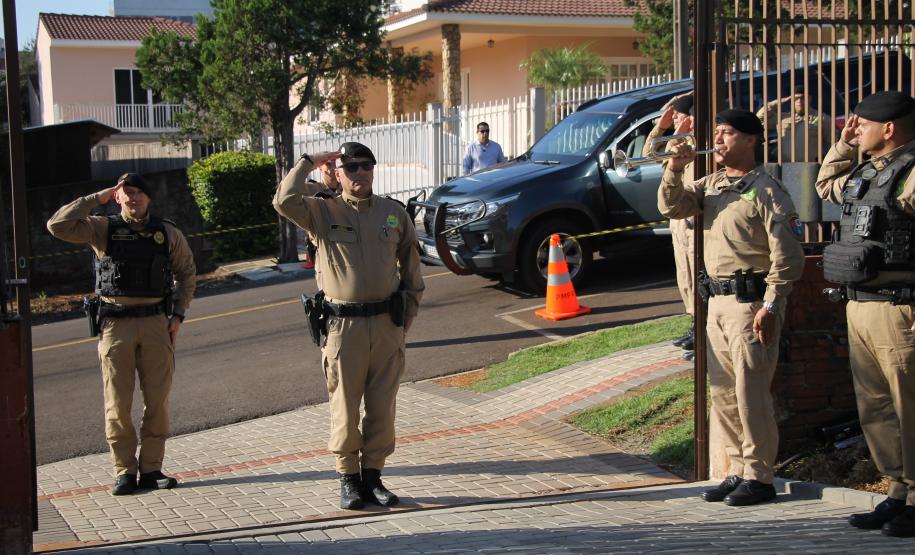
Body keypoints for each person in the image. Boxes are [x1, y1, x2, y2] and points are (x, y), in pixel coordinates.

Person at [659, 109, 806, 506]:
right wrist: (674, 168)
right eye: (717, 133)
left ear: (751, 140)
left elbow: (788, 256)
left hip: (750, 303)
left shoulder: (768, 190)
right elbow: (672, 207)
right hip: (717, 303)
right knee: (723, 393)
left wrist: (771, 304)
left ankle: (759, 476)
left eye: (727, 133)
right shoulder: (712, 184)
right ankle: (737, 469)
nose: (719, 140)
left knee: (750, 393)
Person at [273, 142, 425, 510]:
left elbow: (411, 264)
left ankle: (373, 476)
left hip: (386, 324)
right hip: (344, 327)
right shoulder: (321, 211)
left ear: (373, 169)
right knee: (344, 405)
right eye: (351, 167)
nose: (359, 172)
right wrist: (308, 162)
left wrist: (409, 310)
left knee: (382, 406)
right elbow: (283, 200)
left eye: (365, 165)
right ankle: (348, 478)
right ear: (338, 174)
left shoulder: (393, 213)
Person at [47, 173, 196, 496]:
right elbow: (57, 225)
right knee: (117, 404)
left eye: (139, 192)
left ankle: (151, 468)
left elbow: (186, 272)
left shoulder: (167, 232)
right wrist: (97, 197)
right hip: (116, 326)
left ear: (149, 197)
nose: (133, 198)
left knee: (157, 400)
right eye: (126, 193)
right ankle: (124, 471)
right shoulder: (102, 228)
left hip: (156, 323)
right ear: (117, 198)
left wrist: (178, 315)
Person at [814, 90, 915, 537]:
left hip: (900, 308)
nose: (855, 131)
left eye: (862, 125)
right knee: (876, 407)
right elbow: (825, 185)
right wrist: (843, 144)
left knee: (909, 406)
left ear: (888, 128)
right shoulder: (868, 171)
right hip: (861, 305)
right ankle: (898, 491)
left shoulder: (911, 171)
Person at [644, 94, 697, 360]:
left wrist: (677, 133)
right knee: (684, 274)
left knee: (696, 273)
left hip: (692, 218)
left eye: (677, 114)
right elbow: (649, 153)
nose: (673, 118)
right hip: (678, 219)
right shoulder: (678, 137)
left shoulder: (695, 141)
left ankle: (702, 330)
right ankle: (694, 323)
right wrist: (662, 127)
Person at [756, 85, 832, 162]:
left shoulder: (822, 118)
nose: (799, 101)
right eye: (796, 98)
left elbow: (833, 143)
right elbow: (758, 119)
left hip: (811, 166)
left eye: (803, 98)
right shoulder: (782, 118)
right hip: (785, 166)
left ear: (809, 98)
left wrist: (826, 162)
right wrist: (778, 102)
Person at [301, 157, 342, 271]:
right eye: (328, 164)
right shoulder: (311, 188)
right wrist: (308, 165)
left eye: (335, 164)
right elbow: (288, 192)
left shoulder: (346, 189)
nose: (333, 167)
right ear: (320, 168)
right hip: (321, 242)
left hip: (344, 240)